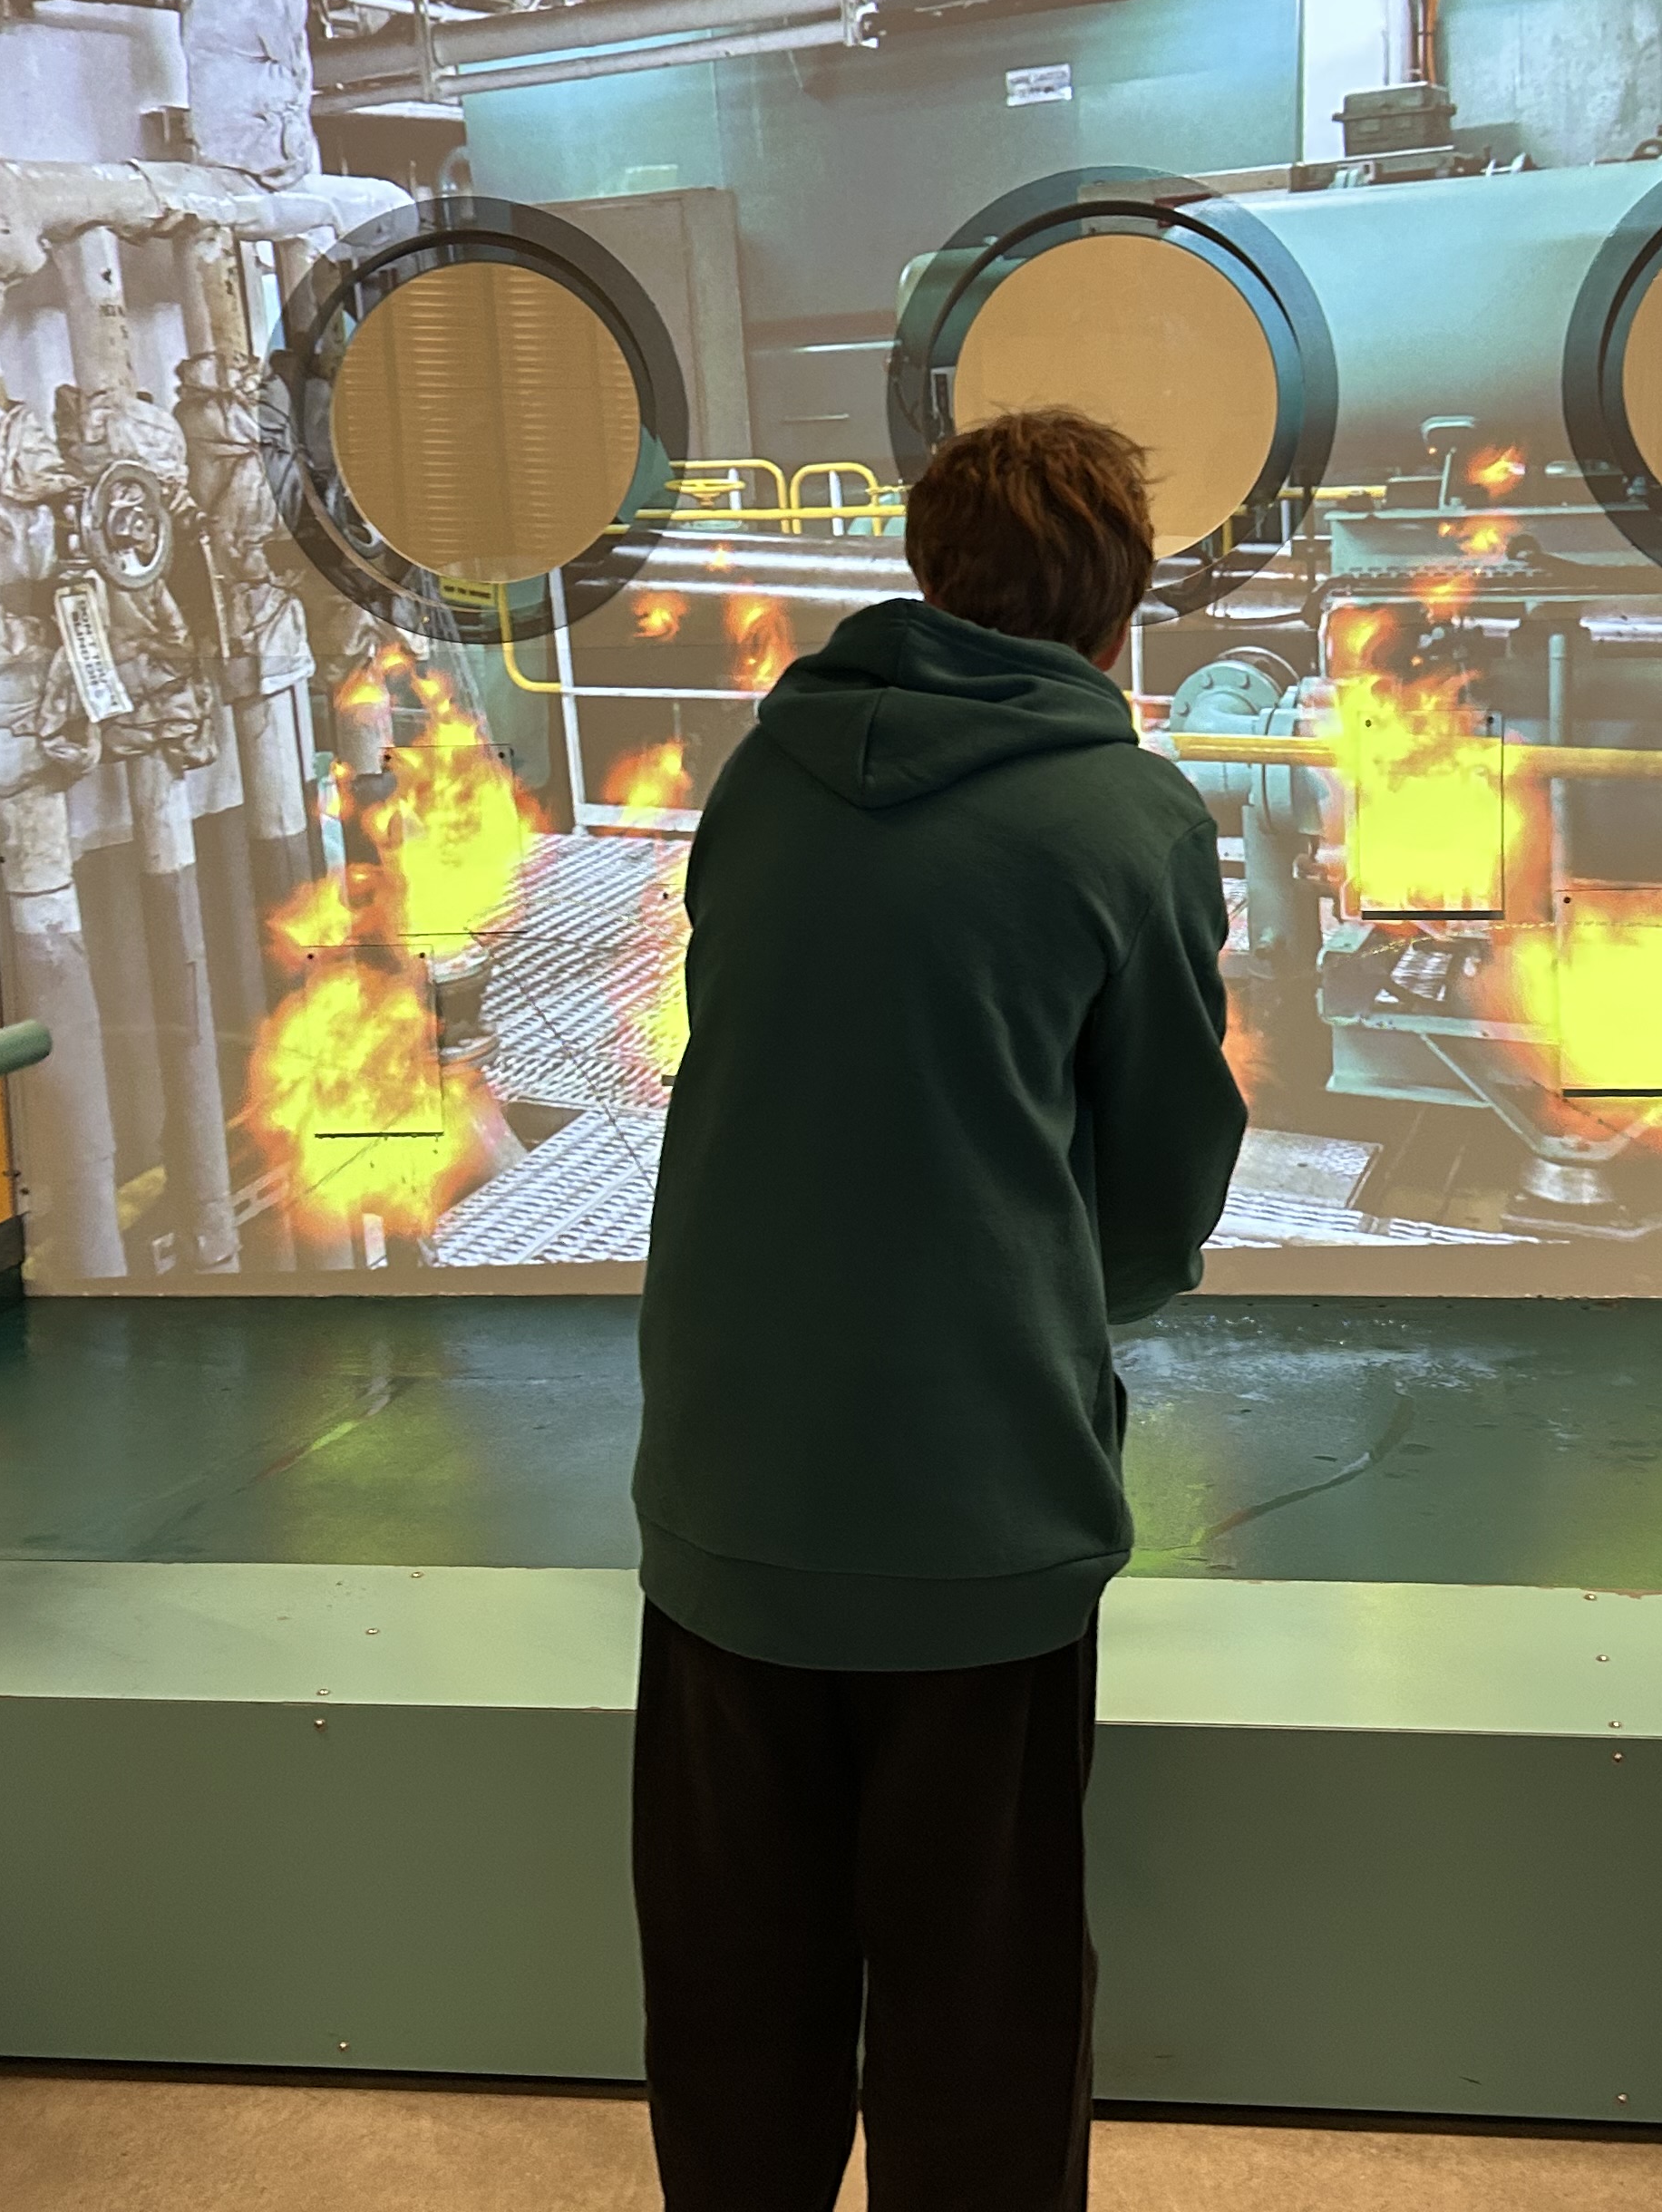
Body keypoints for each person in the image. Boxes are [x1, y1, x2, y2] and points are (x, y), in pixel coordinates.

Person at [630, 403, 1249, 2211]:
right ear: (1121, 604)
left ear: (927, 566)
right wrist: (1036, 1301)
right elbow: (1166, 1176)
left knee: (732, 1993)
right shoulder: (1131, 816)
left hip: (732, 1495)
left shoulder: (765, 774)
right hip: (980, 1515)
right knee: (981, 2015)